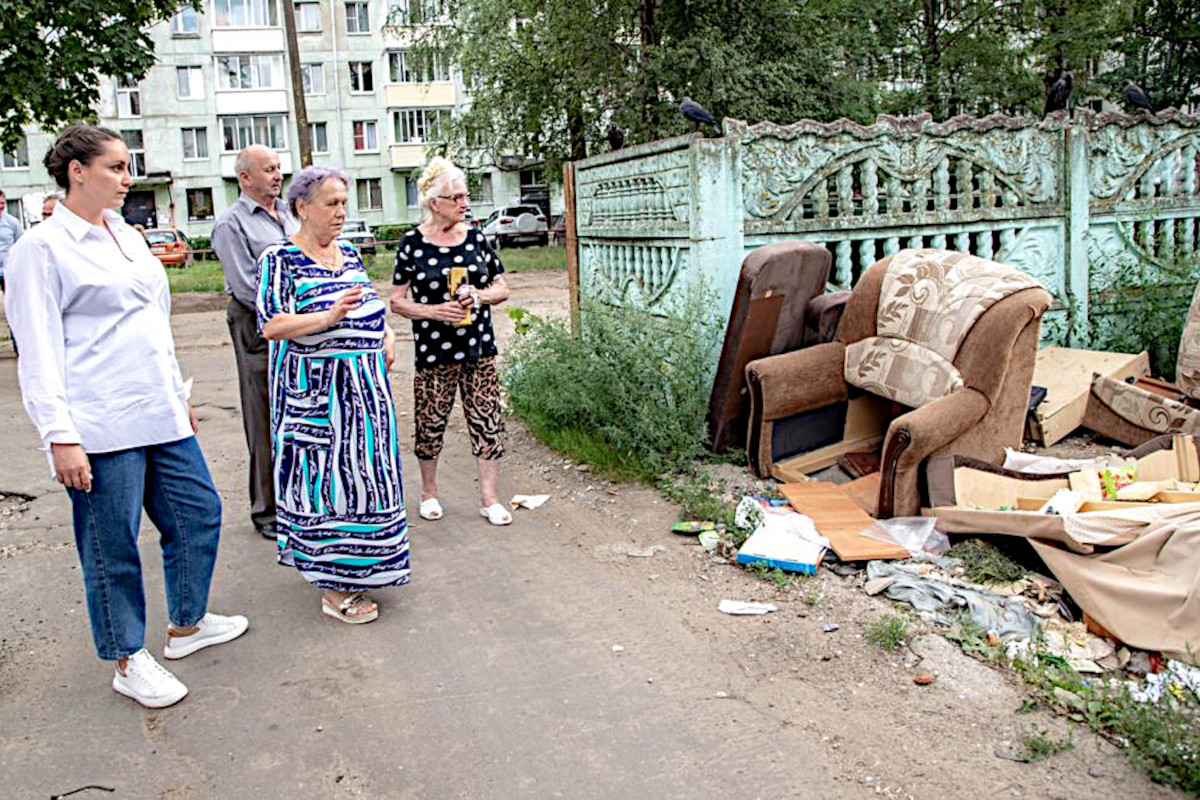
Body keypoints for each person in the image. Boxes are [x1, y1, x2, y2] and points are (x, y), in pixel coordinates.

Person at [4, 124, 248, 708]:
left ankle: (186, 625)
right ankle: (126, 658)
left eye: (127, 166)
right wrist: (60, 437)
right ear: (76, 171)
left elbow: (152, 324)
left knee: (198, 513)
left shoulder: (126, 234)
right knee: (111, 544)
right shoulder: (40, 249)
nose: (126, 177)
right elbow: (36, 350)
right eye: (114, 167)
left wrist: (177, 392)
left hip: (158, 412)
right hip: (98, 423)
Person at [258, 166, 408, 624]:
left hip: (365, 395)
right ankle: (330, 587)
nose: (341, 212)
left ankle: (364, 568)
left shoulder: (348, 254)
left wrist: (386, 336)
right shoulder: (279, 259)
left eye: (344, 203)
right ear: (302, 208)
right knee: (322, 485)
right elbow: (271, 324)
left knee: (367, 479)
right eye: (331, 203)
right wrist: (324, 319)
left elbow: (367, 305)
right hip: (317, 397)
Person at [389, 157, 512, 526]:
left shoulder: (476, 237)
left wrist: (478, 295)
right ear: (434, 202)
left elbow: (502, 286)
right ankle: (429, 493)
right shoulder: (412, 243)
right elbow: (396, 300)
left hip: (479, 348)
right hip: (434, 351)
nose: (464, 202)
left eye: (466, 195)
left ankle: (489, 499)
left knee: (487, 419)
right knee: (430, 422)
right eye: (456, 196)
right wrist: (432, 312)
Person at [212, 145, 299, 540]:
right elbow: (249, 287)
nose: (277, 175)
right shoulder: (232, 224)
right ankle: (266, 512)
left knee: (296, 412)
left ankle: (298, 502)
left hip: (299, 322)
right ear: (245, 177)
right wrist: (293, 314)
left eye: (279, 168)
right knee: (263, 414)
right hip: (258, 324)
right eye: (268, 169)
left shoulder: (290, 214)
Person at [0, 189, 23, 293]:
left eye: (2, 203)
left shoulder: (12, 223)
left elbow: (20, 245)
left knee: (11, 302)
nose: (0, 206)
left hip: (8, 271)